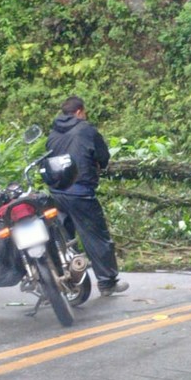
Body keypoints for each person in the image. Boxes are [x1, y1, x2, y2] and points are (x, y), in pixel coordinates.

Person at [46, 95, 128, 296]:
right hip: (80, 192)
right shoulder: (86, 130)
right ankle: (107, 283)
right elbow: (103, 157)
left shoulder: (52, 134)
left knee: (62, 241)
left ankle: (62, 284)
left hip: (56, 194)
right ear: (79, 111)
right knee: (96, 237)